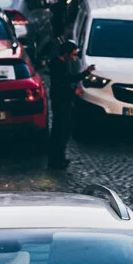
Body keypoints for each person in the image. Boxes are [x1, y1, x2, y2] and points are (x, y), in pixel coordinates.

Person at [46, 37, 77, 170]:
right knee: (61, 131)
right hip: (61, 102)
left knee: (61, 131)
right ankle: (56, 160)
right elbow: (61, 86)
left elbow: (68, 79)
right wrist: (73, 93)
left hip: (61, 101)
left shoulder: (60, 64)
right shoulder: (59, 65)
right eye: (73, 54)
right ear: (66, 53)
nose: (74, 58)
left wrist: (85, 73)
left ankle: (58, 158)